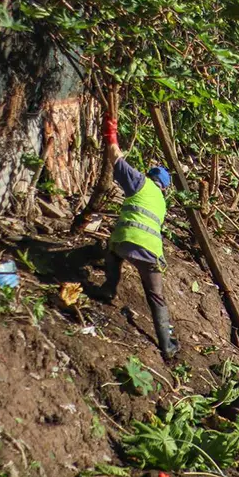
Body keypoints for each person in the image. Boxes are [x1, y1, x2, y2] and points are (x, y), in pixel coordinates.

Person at [95, 113, 180, 360]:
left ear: (151, 176)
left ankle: (109, 288)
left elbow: (116, 158)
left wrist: (111, 134)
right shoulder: (162, 204)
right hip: (151, 253)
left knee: (111, 252)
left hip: (124, 242)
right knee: (156, 297)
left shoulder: (140, 183)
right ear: (165, 187)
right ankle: (167, 345)